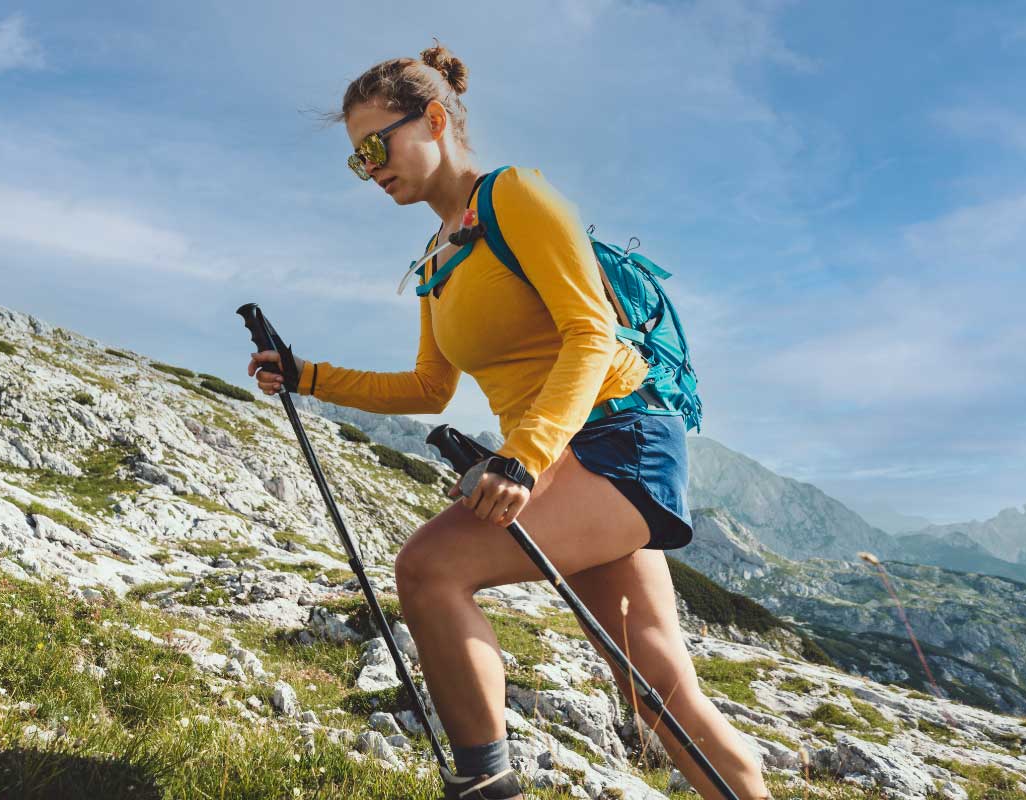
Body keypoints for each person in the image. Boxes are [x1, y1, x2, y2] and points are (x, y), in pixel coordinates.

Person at [249, 41, 771, 800]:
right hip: (565, 453)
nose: (370, 168)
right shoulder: (435, 258)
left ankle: (485, 791)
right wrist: (308, 376)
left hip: (618, 438)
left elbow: (591, 332)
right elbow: (430, 388)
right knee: (654, 688)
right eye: (356, 160)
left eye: (376, 145)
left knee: (430, 567)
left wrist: (521, 458)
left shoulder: (515, 196)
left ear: (434, 119)